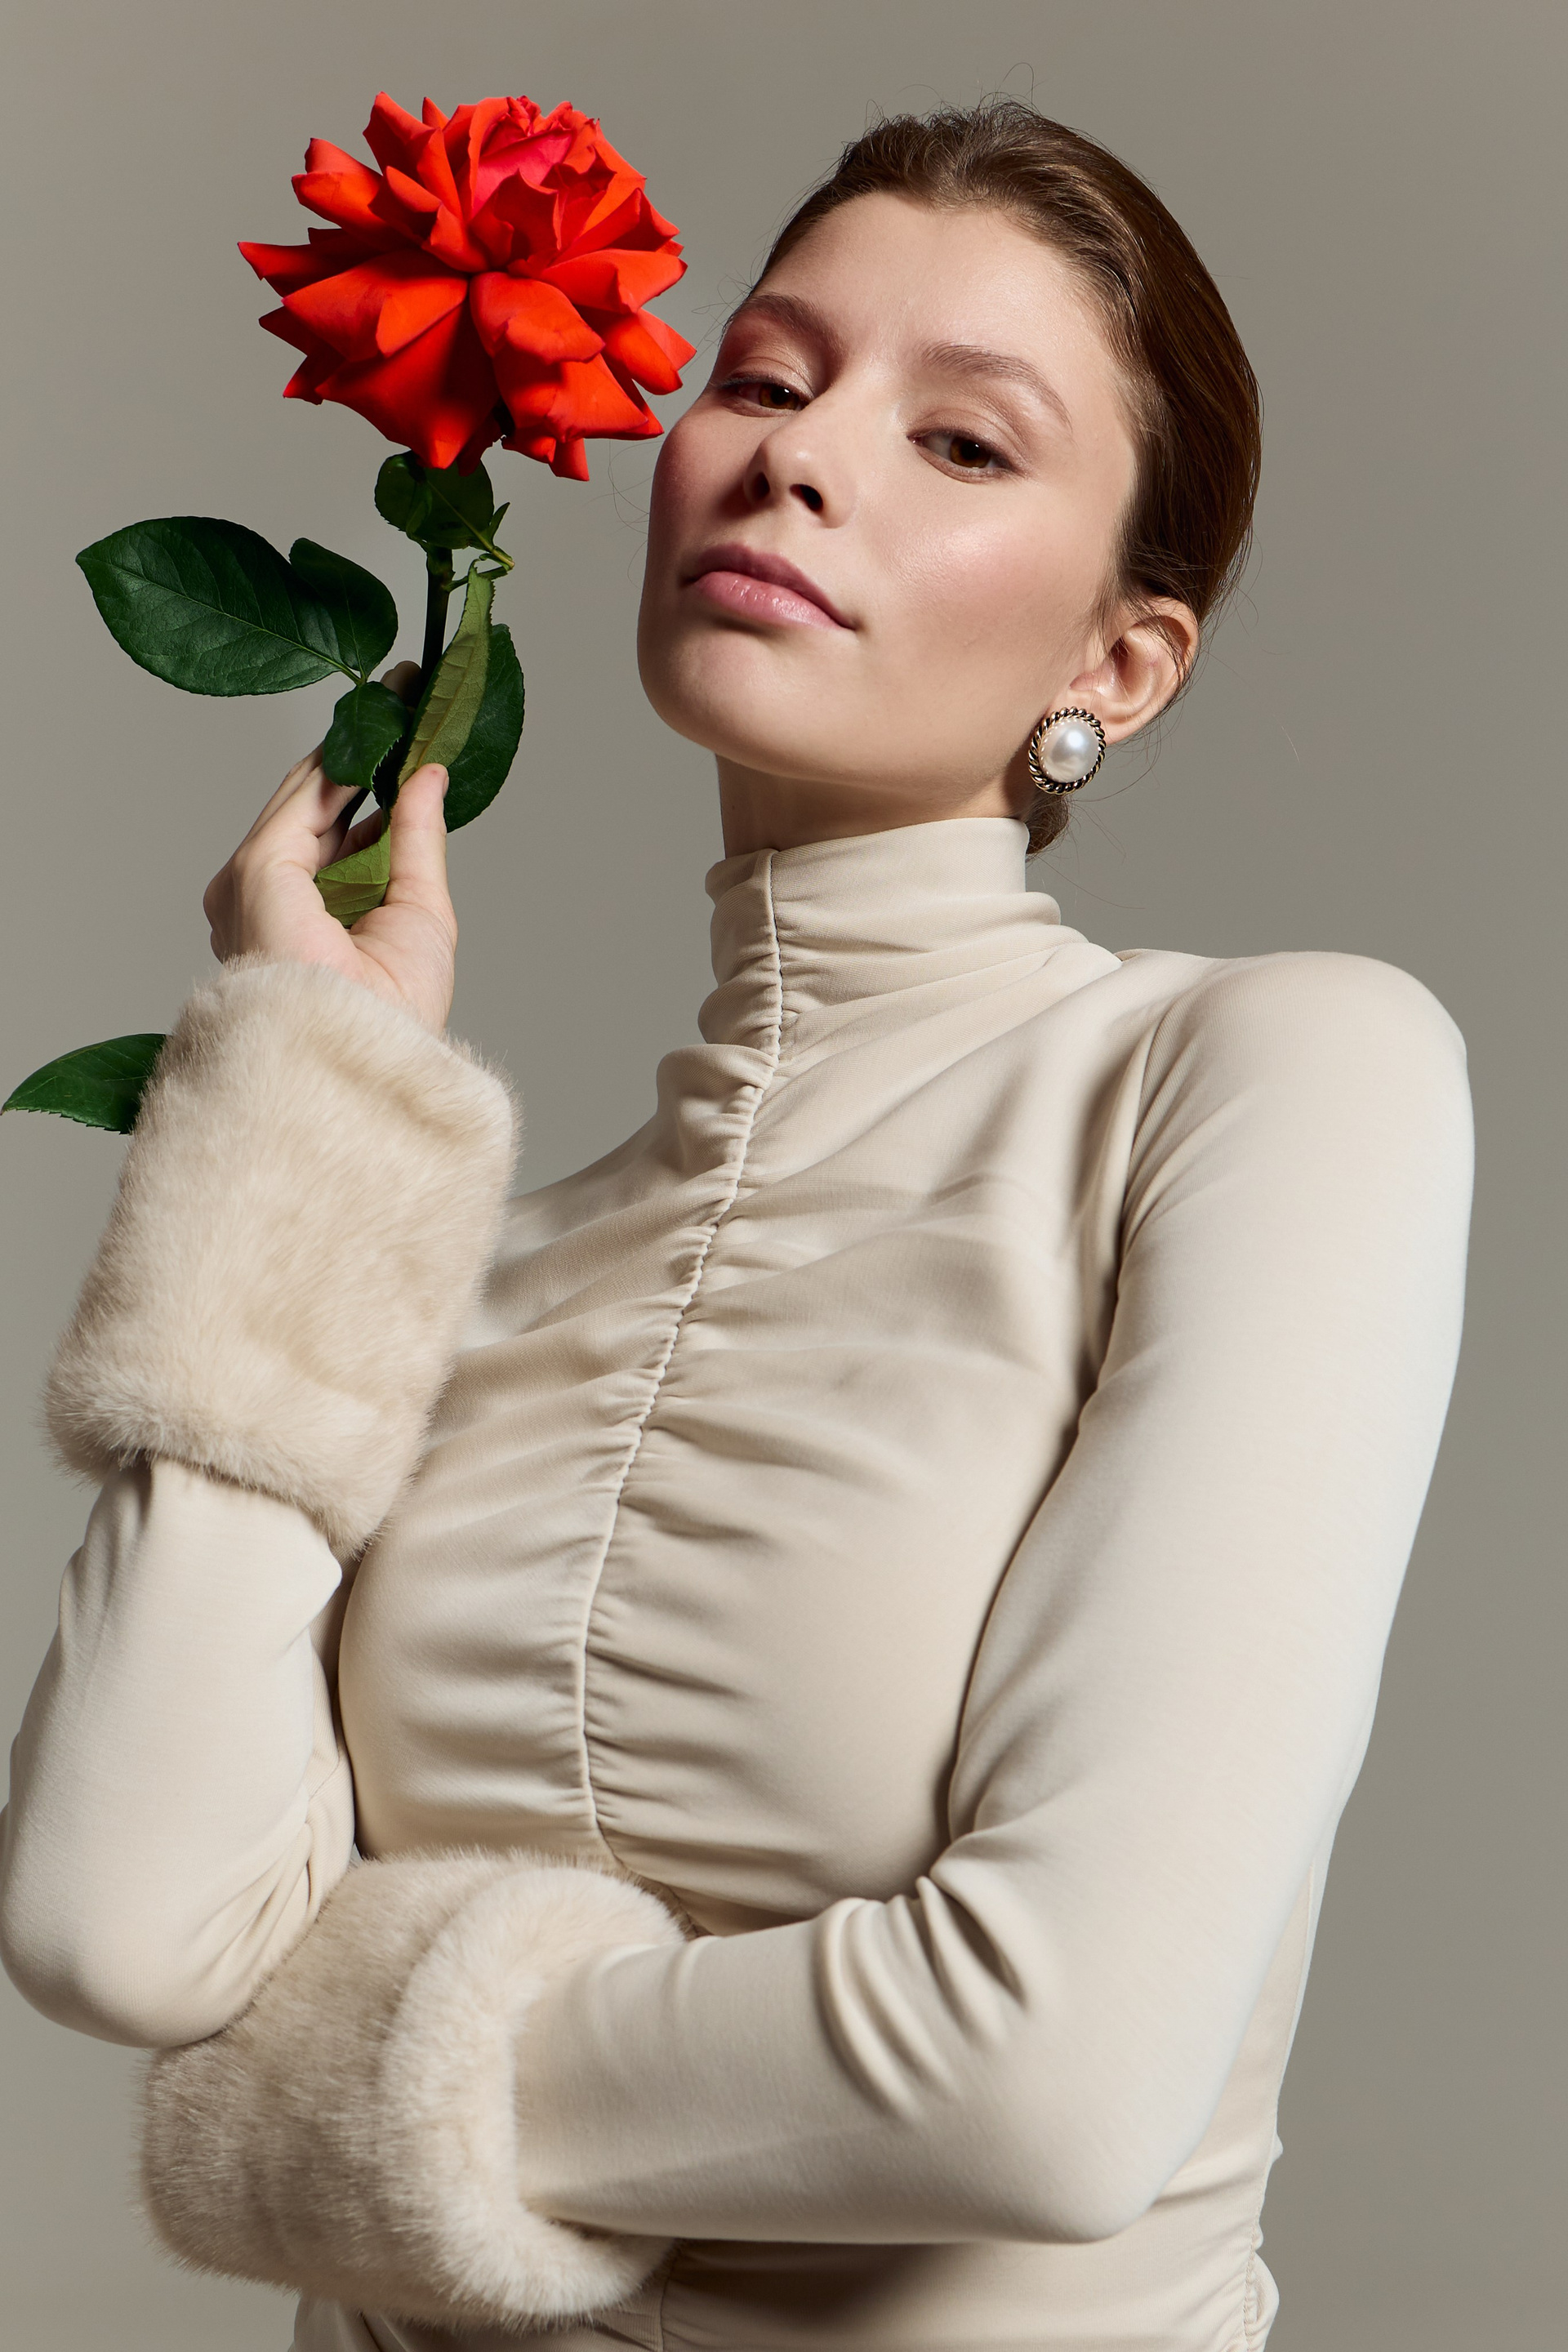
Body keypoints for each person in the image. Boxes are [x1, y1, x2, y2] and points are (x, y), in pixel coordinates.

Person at [0, 100, 1472, 2352]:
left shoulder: (1267, 1077)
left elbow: (1044, 2080)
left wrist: (336, 2084)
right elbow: (112, 1924)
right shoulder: (450, 1266)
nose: (797, 458)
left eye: (961, 443)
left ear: (1118, 665)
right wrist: (306, 1115)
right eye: (767, 379)